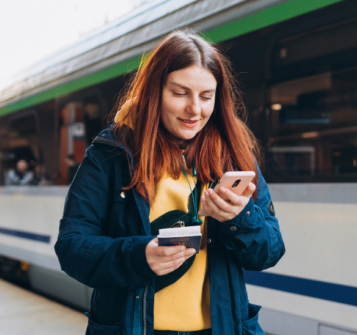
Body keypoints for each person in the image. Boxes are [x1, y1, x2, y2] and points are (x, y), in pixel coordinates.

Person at [54, 30, 285, 335]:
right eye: (179, 93)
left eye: (206, 96)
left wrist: (239, 219)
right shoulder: (110, 155)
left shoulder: (233, 155)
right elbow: (71, 247)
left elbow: (270, 251)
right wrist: (139, 256)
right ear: (154, 90)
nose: (195, 109)